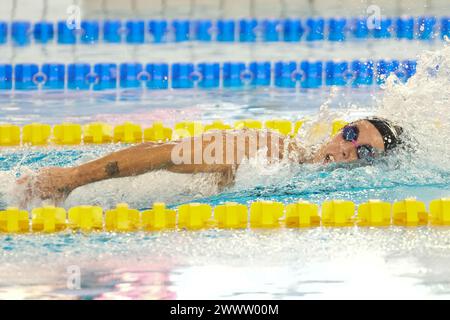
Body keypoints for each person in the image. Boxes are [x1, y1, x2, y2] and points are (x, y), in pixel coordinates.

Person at [17, 117, 404, 203]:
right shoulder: (270, 151)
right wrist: (70, 178)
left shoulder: (296, 173)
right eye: (351, 134)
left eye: (364, 152)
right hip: (72, 197)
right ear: (340, 129)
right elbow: (165, 154)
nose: (346, 149)